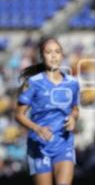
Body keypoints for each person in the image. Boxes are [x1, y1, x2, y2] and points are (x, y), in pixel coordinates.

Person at [15, 38, 80, 185]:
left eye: (57, 52)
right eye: (48, 52)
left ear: (62, 55)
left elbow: (75, 109)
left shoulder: (72, 83)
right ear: (41, 56)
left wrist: (73, 118)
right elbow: (18, 115)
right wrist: (37, 128)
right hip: (39, 145)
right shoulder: (33, 83)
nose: (53, 55)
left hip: (64, 144)